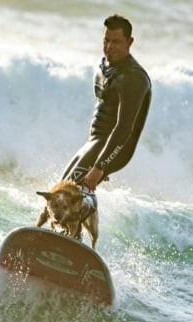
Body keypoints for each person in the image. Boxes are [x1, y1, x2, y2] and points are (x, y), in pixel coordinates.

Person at [61, 14, 152, 192]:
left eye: (116, 42)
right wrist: (100, 162)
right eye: (106, 40)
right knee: (60, 190)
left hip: (111, 148)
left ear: (130, 42)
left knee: (63, 194)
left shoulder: (133, 77)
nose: (109, 47)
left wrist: (101, 166)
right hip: (95, 144)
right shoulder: (105, 67)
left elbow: (124, 128)